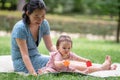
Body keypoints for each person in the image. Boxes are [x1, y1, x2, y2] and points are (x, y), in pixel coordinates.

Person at [11, 0, 56, 76]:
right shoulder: (20, 28)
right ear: (28, 13)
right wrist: (33, 73)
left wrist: (60, 55)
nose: (40, 19)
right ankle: (82, 68)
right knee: (57, 64)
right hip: (22, 61)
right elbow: (25, 55)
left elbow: (50, 46)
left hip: (36, 56)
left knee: (58, 61)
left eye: (43, 16)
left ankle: (82, 65)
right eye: (36, 16)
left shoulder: (44, 24)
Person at [38, 35, 117, 74]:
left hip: (66, 67)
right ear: (58, 47)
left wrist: (85, 60)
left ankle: (106, 68)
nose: (67, 50)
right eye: (64, 48)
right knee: (80, 69)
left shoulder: (69, 54)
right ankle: (102, 68)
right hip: (56, 68)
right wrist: (63, 63)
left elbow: (77, 58)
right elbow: (56, 63)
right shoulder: (57, 54)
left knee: (81, 64)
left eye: (69, 48)